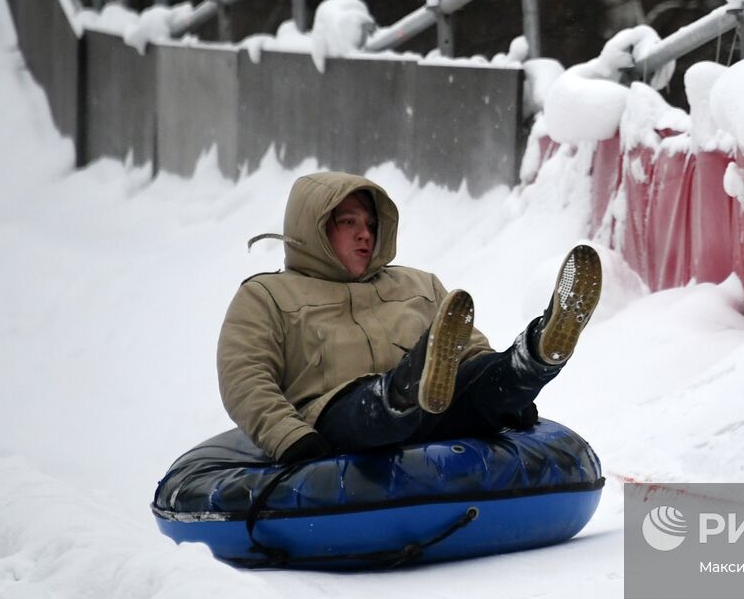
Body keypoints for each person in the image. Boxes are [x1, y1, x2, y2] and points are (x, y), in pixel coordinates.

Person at [217, 171, 601, 464]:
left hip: (436, 414)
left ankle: (535, 355)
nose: (364, 234)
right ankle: (409, 385)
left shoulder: (417, 284)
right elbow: (245, 378)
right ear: (311, 228)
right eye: (348, 222)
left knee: (482, 378)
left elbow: (469, 354)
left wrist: (509, 394)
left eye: (370, 224)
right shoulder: (266, 296)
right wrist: (291, 438)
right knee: (377, 402)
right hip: (338, 418)